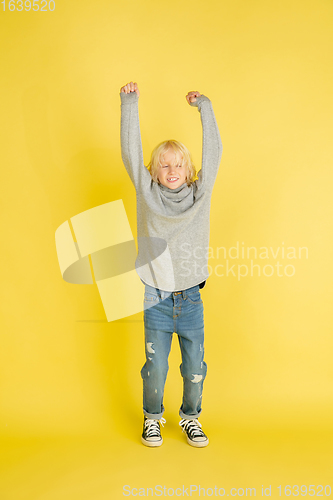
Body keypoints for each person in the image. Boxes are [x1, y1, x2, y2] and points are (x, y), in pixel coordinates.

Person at [119, 81, 222, 447]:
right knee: (156, 369)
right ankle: (153, 418)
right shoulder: (146, 194)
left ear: (189, 168)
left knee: (195, 370)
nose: (171, 169)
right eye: (164, 164)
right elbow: (131, 153)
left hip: (191, 298)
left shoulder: (200, 194)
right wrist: (129, 103)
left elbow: (215, 155)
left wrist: (204, 108)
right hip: (156, 298)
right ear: (154, 169)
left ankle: (190, 418)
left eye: (178, 163)